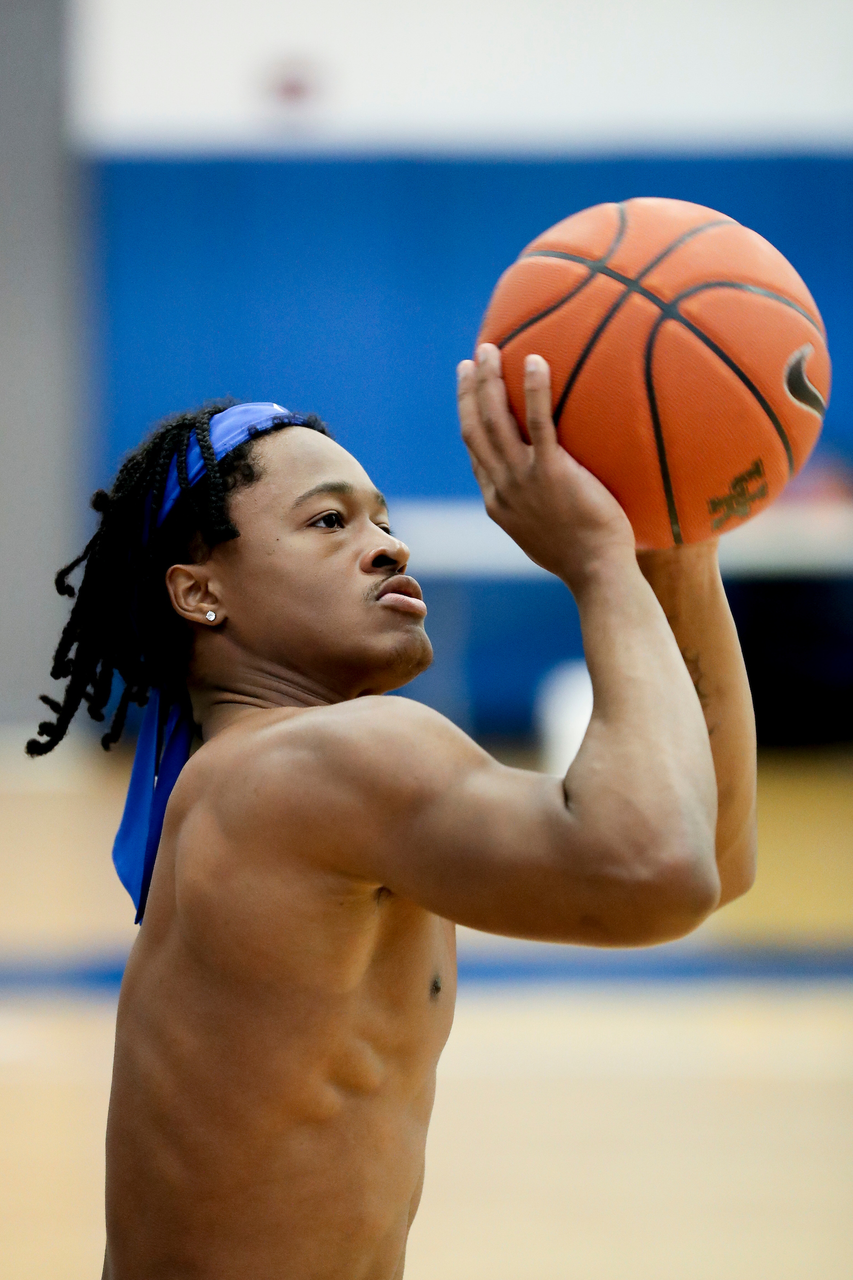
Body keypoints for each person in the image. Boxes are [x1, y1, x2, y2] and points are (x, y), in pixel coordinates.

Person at [29, 346, 756, 1279]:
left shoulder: (283, 775)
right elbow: (657, 867)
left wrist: (674, 549)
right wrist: (599, 562)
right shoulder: (313, 762)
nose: (388, 544)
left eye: (382, 517)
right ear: (199, 593)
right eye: (328, 520)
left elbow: (713, 855)